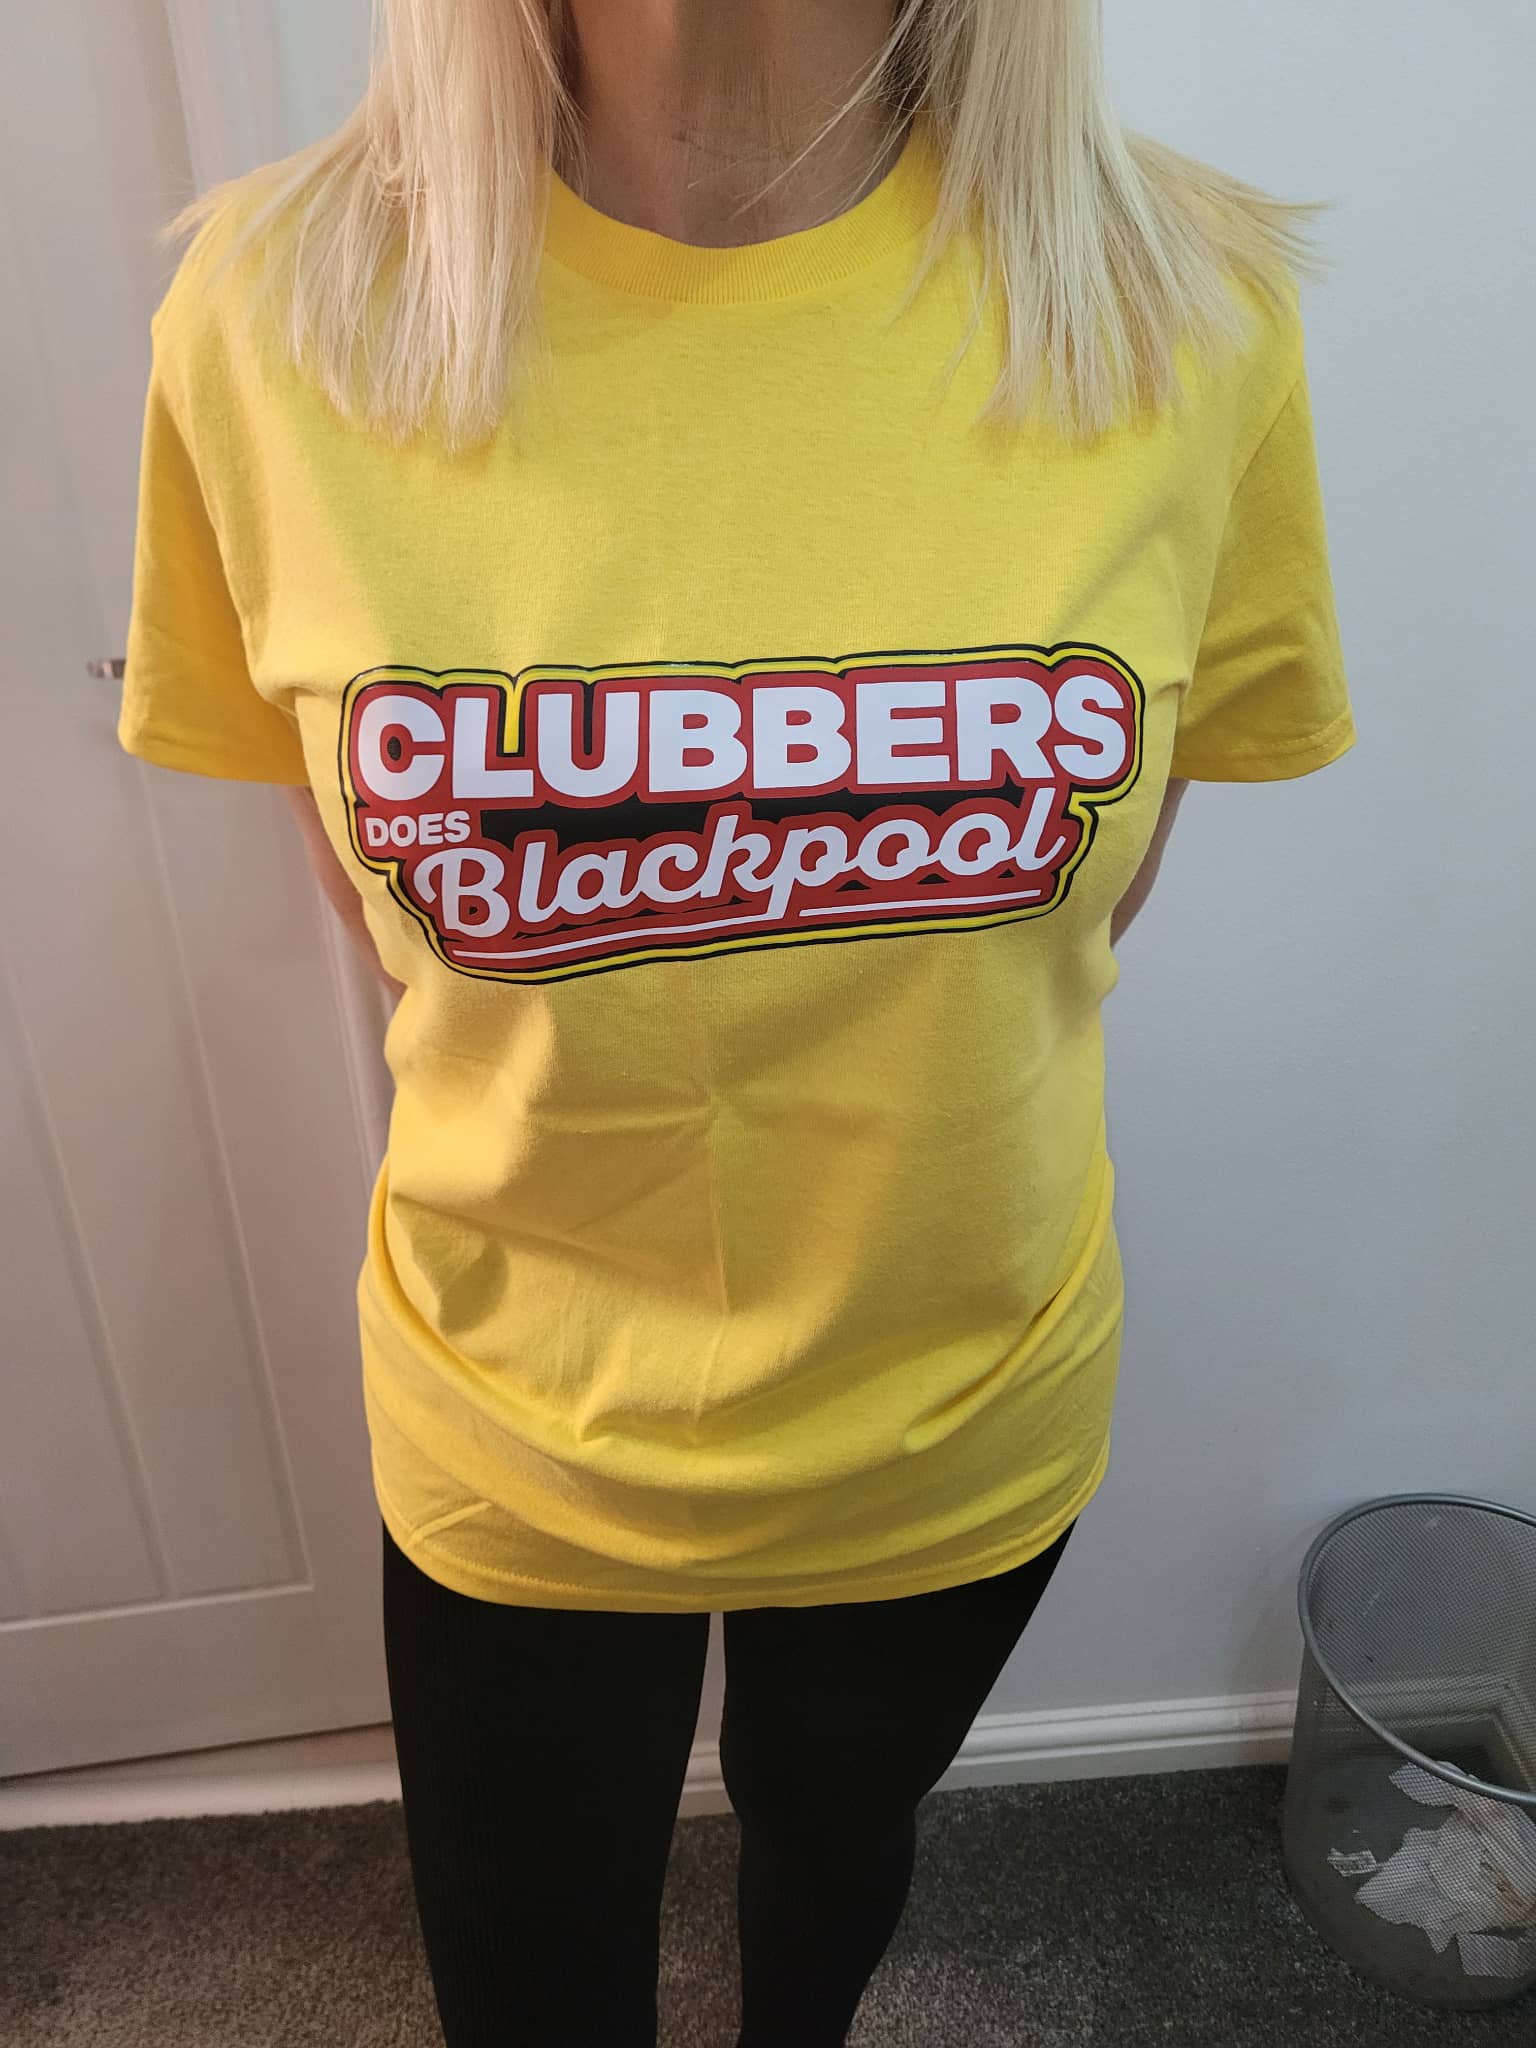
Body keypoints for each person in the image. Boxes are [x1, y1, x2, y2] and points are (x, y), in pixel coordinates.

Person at [118, 1, 1356, 2041]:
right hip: (516, 1412)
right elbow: (383, 908)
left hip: (954, 1395)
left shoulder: (1187, 305)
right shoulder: (273, 311)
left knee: (834, 1862)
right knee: (529, 1975)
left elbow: (1090, 891)